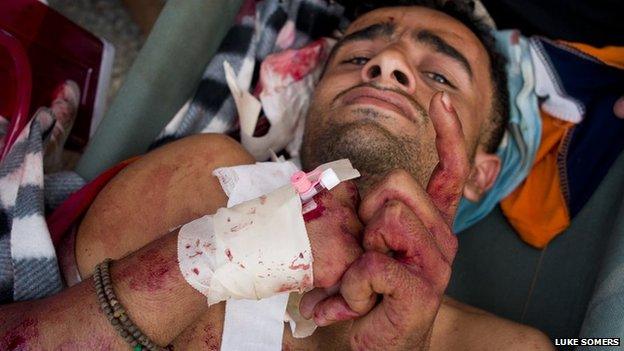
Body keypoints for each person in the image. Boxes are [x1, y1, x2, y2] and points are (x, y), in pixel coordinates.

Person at [0, 1, 555, 350]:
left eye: (437, 73)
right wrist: (205, 256)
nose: (385, 64)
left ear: (482, 173)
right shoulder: (202, 178)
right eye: (356, 54)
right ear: (308, 108)